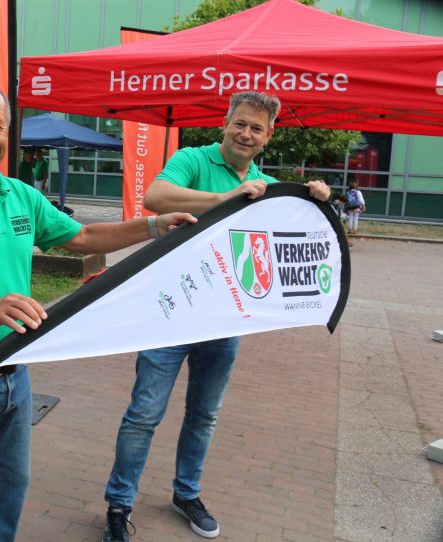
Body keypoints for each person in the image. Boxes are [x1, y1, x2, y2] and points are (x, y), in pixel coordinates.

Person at [0, 78, 196, 542]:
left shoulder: (20, 196)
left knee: (10, 486)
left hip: (17, 373)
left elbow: (83, 239)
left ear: (8, 134)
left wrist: (153, 225)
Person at [101, 91, 330, 541]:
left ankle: (187, 494)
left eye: (256, 128)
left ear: (267, 137)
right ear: (225, 123)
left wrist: (316, 198)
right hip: (168, 312)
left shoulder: (265, 183)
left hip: (222, 319)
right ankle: (118, 504)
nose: (246, 134)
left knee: (204, 414)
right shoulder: (192, 158)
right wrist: (227, 196)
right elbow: (155, 197)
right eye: (240, 123)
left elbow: (293, 234)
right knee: (144, 414)